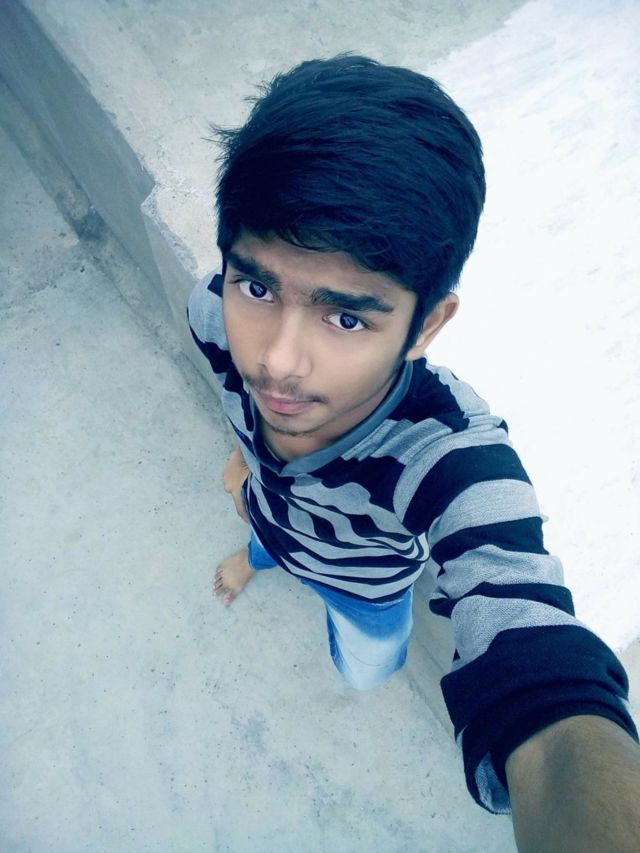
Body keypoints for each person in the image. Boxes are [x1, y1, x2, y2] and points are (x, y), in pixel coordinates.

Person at [187, 54, 640, 848]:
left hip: (363, 587)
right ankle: (259, 551)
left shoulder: (450, 457)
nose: (277, 361)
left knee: (367, 663)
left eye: (347, 317)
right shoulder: (212, 314)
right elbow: (244, 390)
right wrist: (247, 456)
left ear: (426, 324)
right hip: (271, 514)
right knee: (260, 523)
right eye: (257, 286)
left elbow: (542, 678)